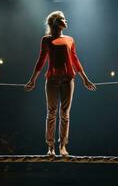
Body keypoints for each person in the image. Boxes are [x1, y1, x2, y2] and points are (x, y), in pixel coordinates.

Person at [24, 11, 96, 156]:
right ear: (56, 22)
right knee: (51, 113)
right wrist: (32, 80)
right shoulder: (46, 39)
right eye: (63, 19)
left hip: (68, 79)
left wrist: (85, 79)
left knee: (65, 114)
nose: (66, 20)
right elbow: (41, 60)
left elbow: (75, 60)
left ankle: (62, 145)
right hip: (52, 79)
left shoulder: (70, 39)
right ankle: (50, 146)